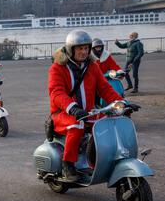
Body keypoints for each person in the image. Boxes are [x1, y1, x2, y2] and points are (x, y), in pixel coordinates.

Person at [48, 30, 124, 181]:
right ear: (71, 49)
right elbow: (56, 93)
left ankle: (99, 160)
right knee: (77, 125)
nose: (84, 52)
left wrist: (122, 103)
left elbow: (105, 89)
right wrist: (73, 108)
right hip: (63, 114)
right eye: (79, 48)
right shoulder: (57, 68)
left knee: (107, 122)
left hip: (87, 112)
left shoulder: (92, 67)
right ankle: (67, 164)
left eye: (86, 48)